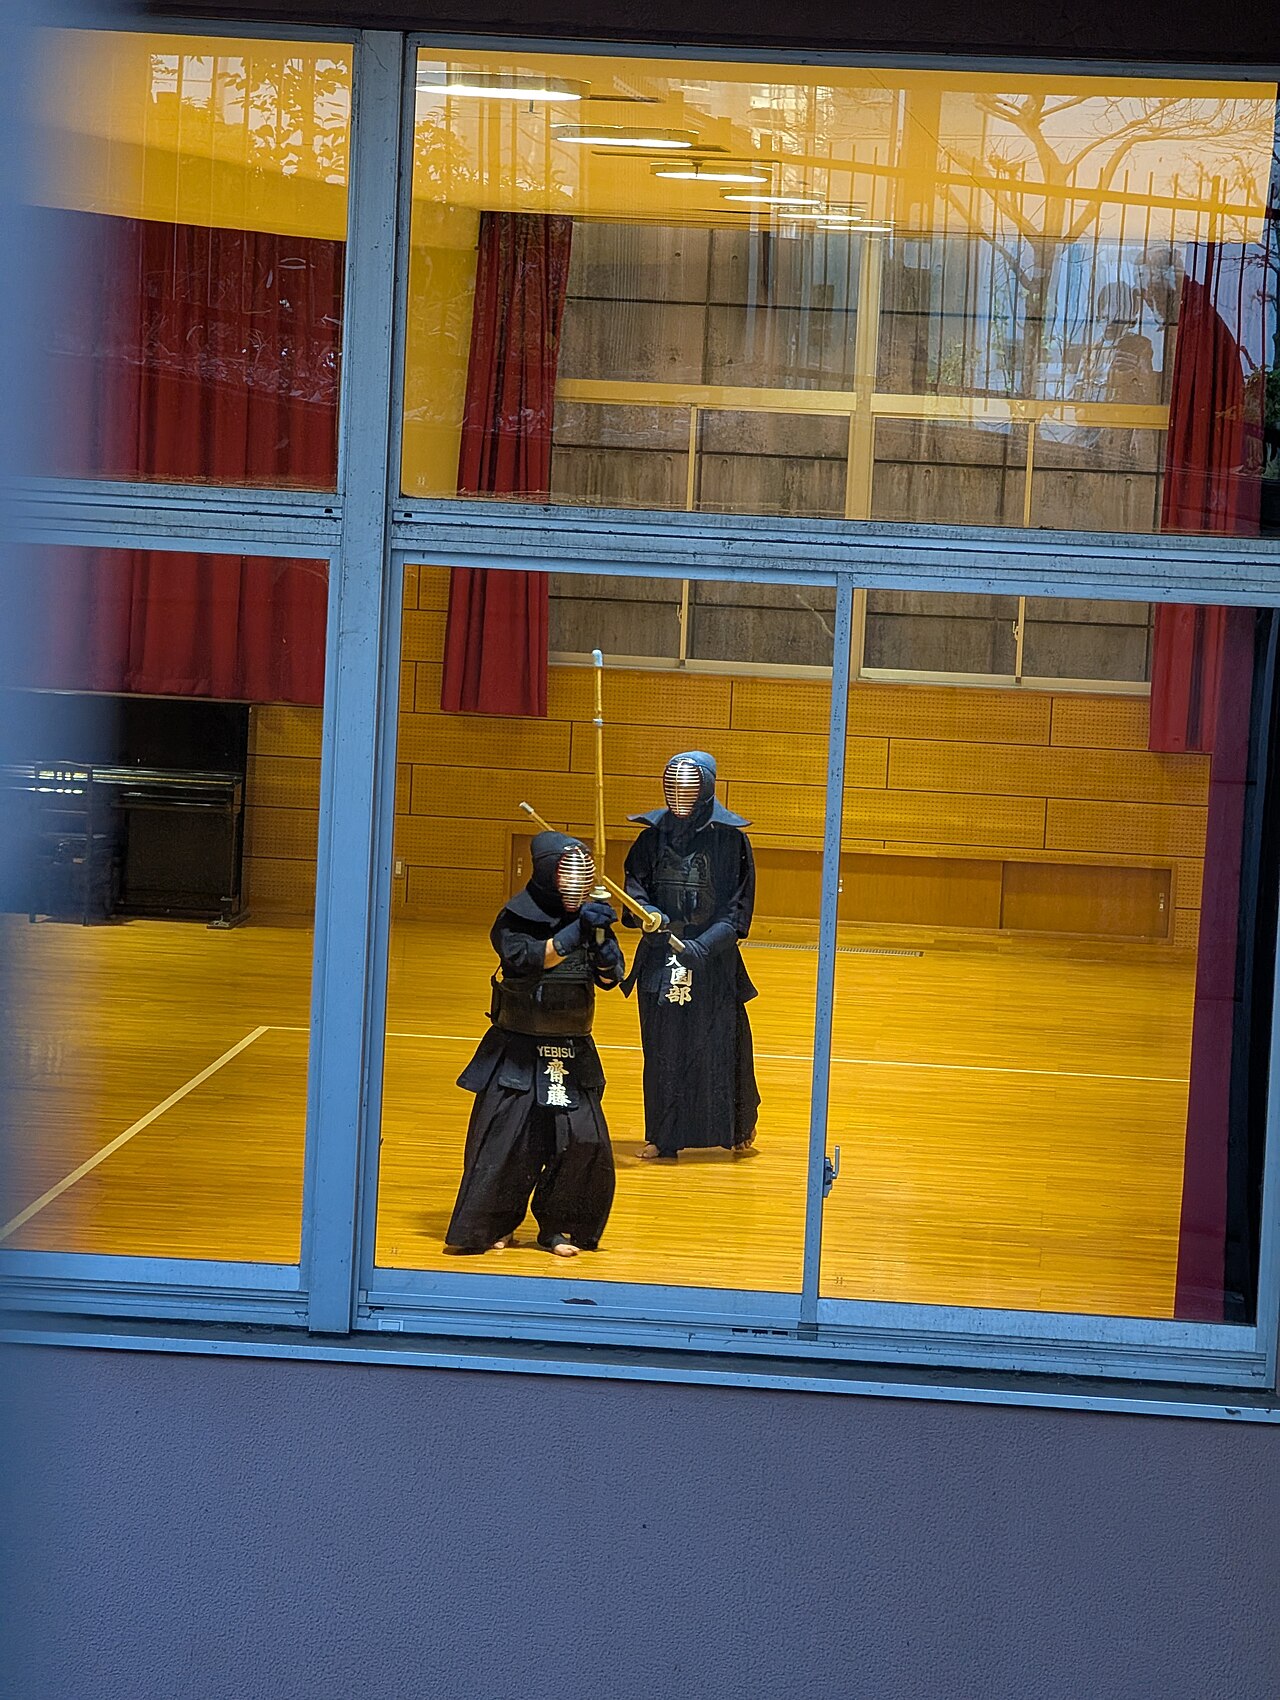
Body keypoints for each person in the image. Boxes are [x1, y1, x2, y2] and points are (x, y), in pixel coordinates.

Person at [444, 831, 624, 1257]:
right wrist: (575, 933)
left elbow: (609, 978)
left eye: (580, 878)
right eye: (567, 877)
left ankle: (560, 1226)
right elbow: (527, 959)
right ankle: (493, 1225)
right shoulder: (513, 919)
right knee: (506, 1142)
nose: (575, 886)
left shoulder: (590, 919)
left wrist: (602, 949)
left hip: (571, 1049)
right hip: (519, 1051)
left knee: (584, 1141)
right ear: (547, 875)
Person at [622, 751, 760, 1160]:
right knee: (663, 1051)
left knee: (723, 1046)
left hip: (714, 962)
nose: (681, 795)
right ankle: (663, 1136)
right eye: (674, 787)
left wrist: (705, 946)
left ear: (706, 788)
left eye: (689, 787)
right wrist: (649, 913)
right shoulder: (651, 839)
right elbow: (635, 887)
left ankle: (736, 1128)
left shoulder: (730, 841)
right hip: (660, 957)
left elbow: (737, 907)